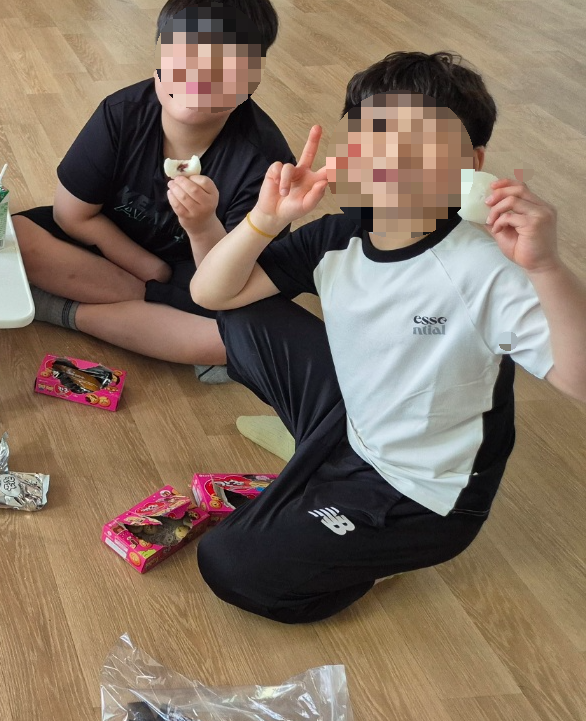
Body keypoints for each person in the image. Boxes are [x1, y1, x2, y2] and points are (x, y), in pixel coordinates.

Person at [189, 51, 586, 623]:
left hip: (420, 493)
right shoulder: (339, 235)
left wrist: (547, 268)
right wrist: (264, 221)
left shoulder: (486, 268)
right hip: (355, 420)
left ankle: (366, 553)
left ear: (472, 163)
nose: (392, 154)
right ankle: (316, 456)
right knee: (244, 313)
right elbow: (212, 294)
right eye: (373, 134)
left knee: (230, 562)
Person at [16, 0, 293, 379]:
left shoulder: (264, 162)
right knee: (14, 235)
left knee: (236, 334)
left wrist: (202, 226)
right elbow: (71, 215)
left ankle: (62, 309)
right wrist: (150, 275)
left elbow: (230, 282)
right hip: (110, 248)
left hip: (198, 278)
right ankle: (142, 314)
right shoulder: (123, 113)